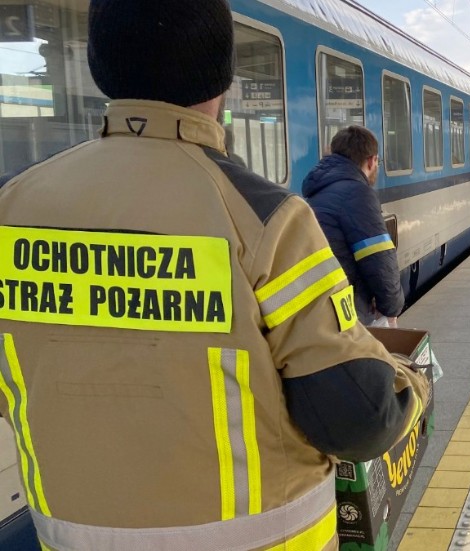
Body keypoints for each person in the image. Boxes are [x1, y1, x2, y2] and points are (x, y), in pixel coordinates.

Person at [0, 1, 429, 549]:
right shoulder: (265, 217)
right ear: (224, 76)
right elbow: (358, 417)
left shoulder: (12, 208)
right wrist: (409, 381)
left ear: (99, 68)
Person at [303, 126, 403, 325]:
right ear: (371, 160)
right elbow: (380, 261)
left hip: (321, 307)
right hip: (347, 312)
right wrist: (391, 307)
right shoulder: (358, 194)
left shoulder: (317, 189)